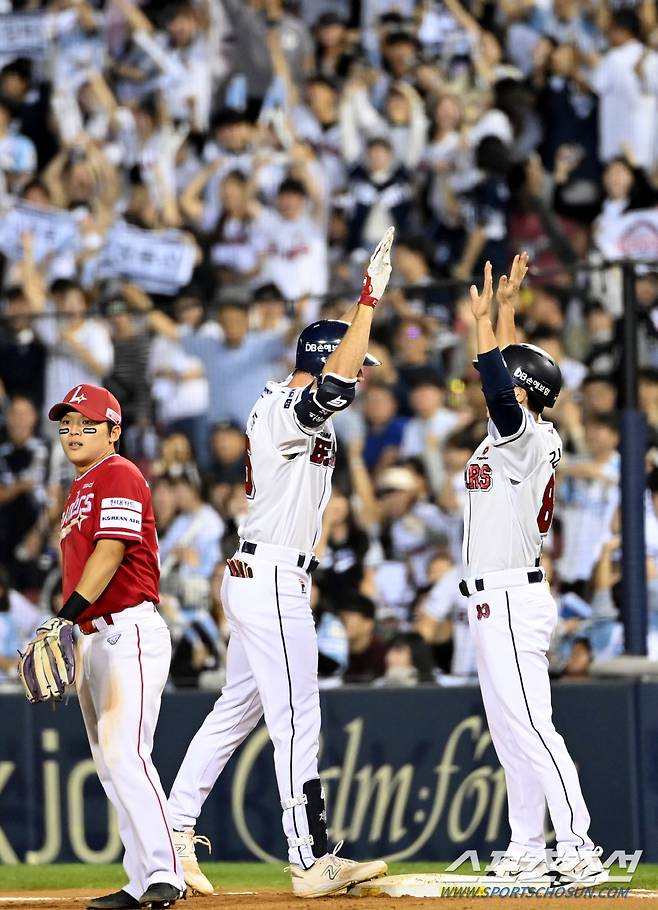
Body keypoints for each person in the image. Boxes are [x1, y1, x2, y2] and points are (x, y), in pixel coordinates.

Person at [167, 229, 395, 898]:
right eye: (356, 363)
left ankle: (173, 831)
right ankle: (310, 857)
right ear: (325, 360)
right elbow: (333, 389)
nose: (364, 373)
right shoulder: (281, 411)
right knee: (298, 715)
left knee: (235, 712)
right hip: (268, 578)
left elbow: (338, 388)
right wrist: (368, 302)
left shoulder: (299, 418)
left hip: (268, 575)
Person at [463, 256, 607, 885]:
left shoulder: (530, 438)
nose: (494, 385)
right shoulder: (513, 434)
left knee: (532, 726)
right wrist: (505, 312)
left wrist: (487, 323)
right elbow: (506, 379)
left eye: (510, 385)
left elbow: (500, 386)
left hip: (513, 598)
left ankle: (579, 848)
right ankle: (528, 846)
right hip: (491, 598)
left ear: (526, 394)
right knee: (510, 731)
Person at [39, 383, 183, 909]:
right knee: (109, 764)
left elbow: (112, 551)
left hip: (128, 631)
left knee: (127, 755)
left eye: (87, 424)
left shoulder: (119, 472)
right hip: (95, 636)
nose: (73, 433)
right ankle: (140, 878)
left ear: (113, 430)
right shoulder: (80, 487)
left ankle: (168, 870)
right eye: (67, 425)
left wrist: (65, 616)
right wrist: (74, 629)